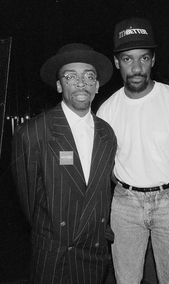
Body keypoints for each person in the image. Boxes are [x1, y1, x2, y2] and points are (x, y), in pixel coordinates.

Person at [97, 18, 169, 284]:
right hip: (124, 204)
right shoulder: (106, 111)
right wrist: (127, 187)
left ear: (153, 60)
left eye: (143, 58)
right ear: (116, 62)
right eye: (127, 59)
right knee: (126, 279)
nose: (136, 68)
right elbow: (105, 165)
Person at [12, 43, 117, 284]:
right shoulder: (33, 133)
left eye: (89, 76)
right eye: (71, 76)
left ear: (97, 85)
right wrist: (52, 235)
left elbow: (100, 194)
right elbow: (28, 202)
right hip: (55, 253)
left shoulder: (107, 133)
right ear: (59, 85)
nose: (81, 83)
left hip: (94, 251)